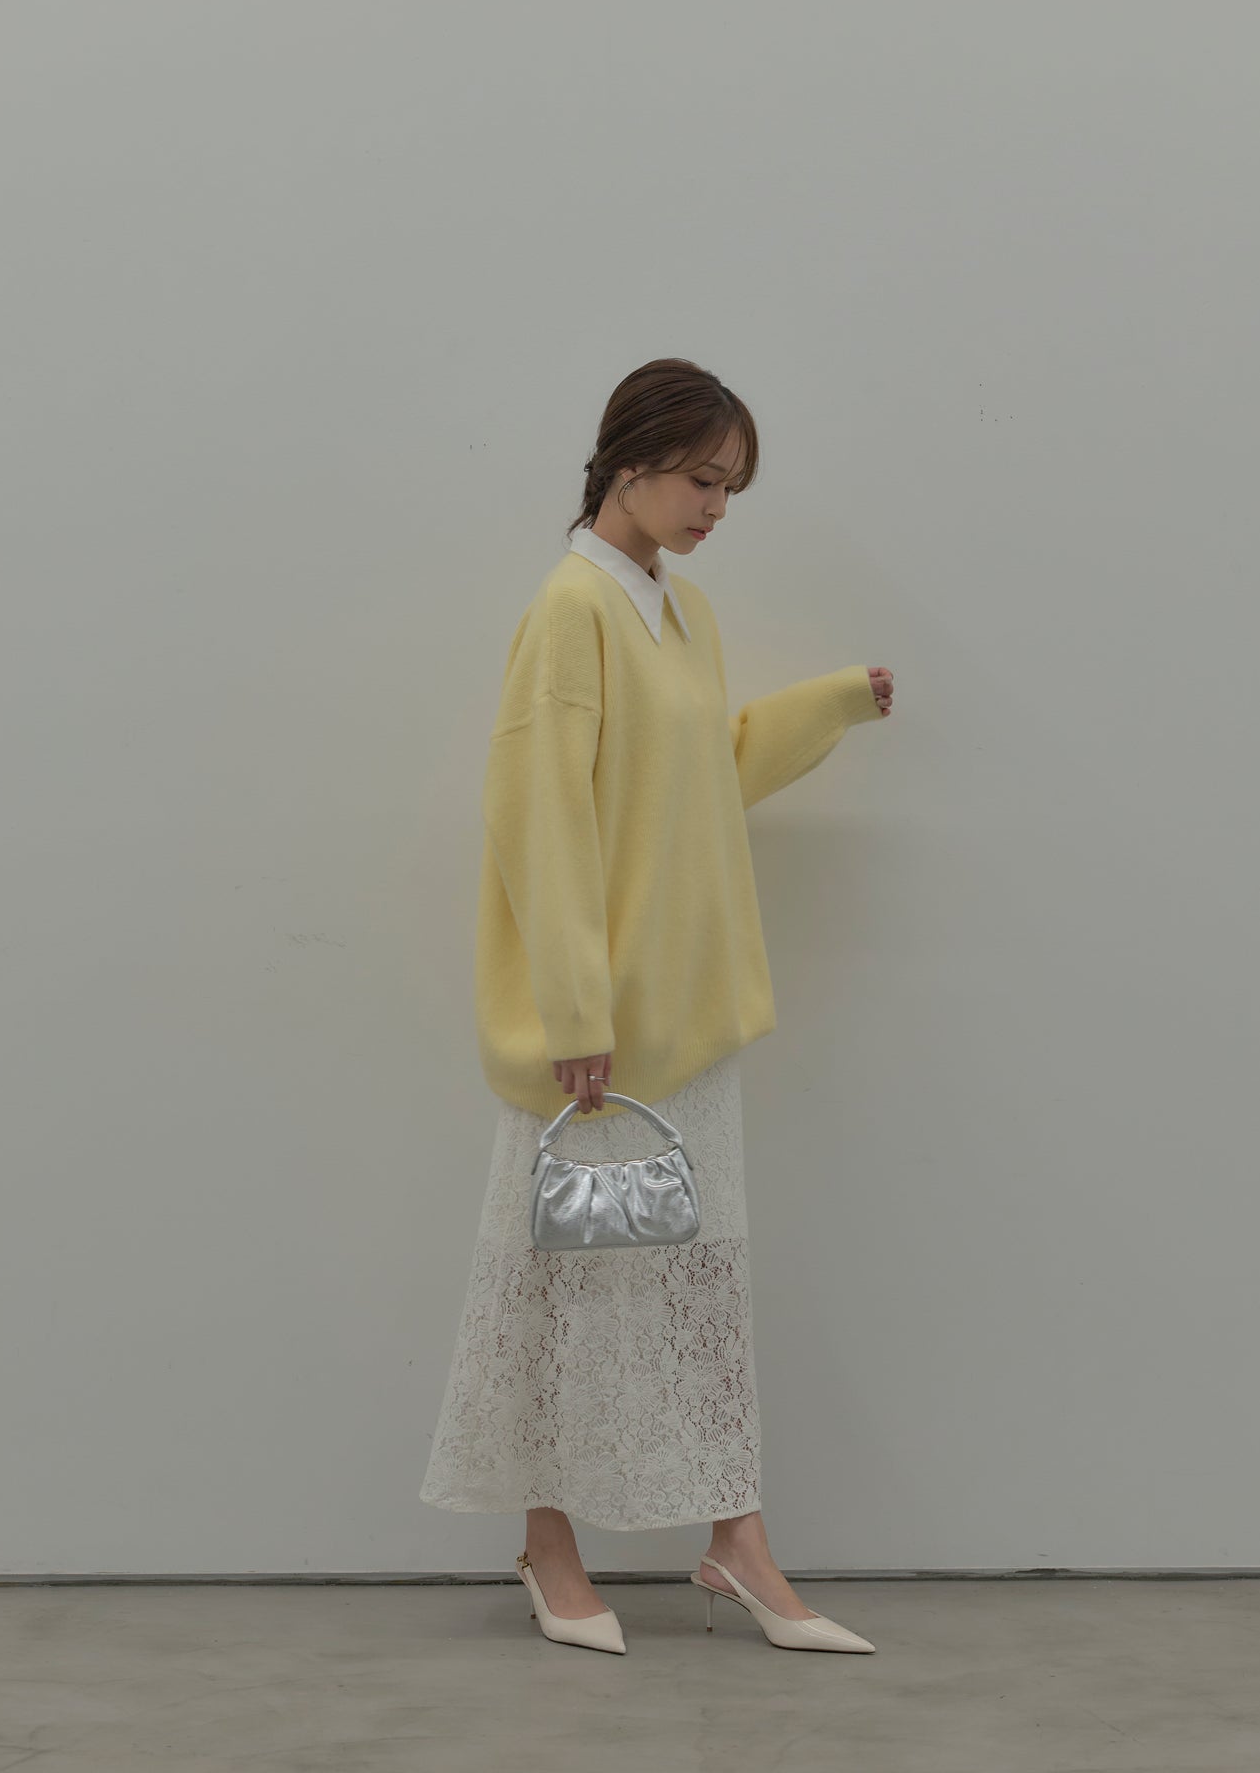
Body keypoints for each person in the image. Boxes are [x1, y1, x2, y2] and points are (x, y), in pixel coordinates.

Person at [419, 357, 893, 1654]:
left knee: (696, 1284)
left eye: (731, 488)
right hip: (601, 1035)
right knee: (567, 1284)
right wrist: (575, 1009)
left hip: (687, 1014)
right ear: (626, 463)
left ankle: (734, 1541)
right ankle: (550, 1545)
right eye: (701, 480)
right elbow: (539, 816)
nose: (717, 508)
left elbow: (697, 775)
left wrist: (830, 706)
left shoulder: (679, 611)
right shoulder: (570, 610)